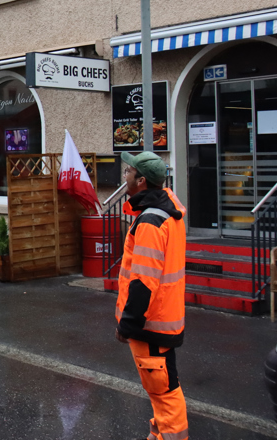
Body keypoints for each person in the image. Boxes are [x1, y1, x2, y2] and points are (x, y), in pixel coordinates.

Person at [116, 151, 188, 440]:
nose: (124, 175)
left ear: (141, 180)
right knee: (162, 389)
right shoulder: (168, 213)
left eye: (128, 171)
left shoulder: (150, 221)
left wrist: (128, 324)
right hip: (164, 318)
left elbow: (143, 282)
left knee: (163, 392)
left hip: (150, 324)